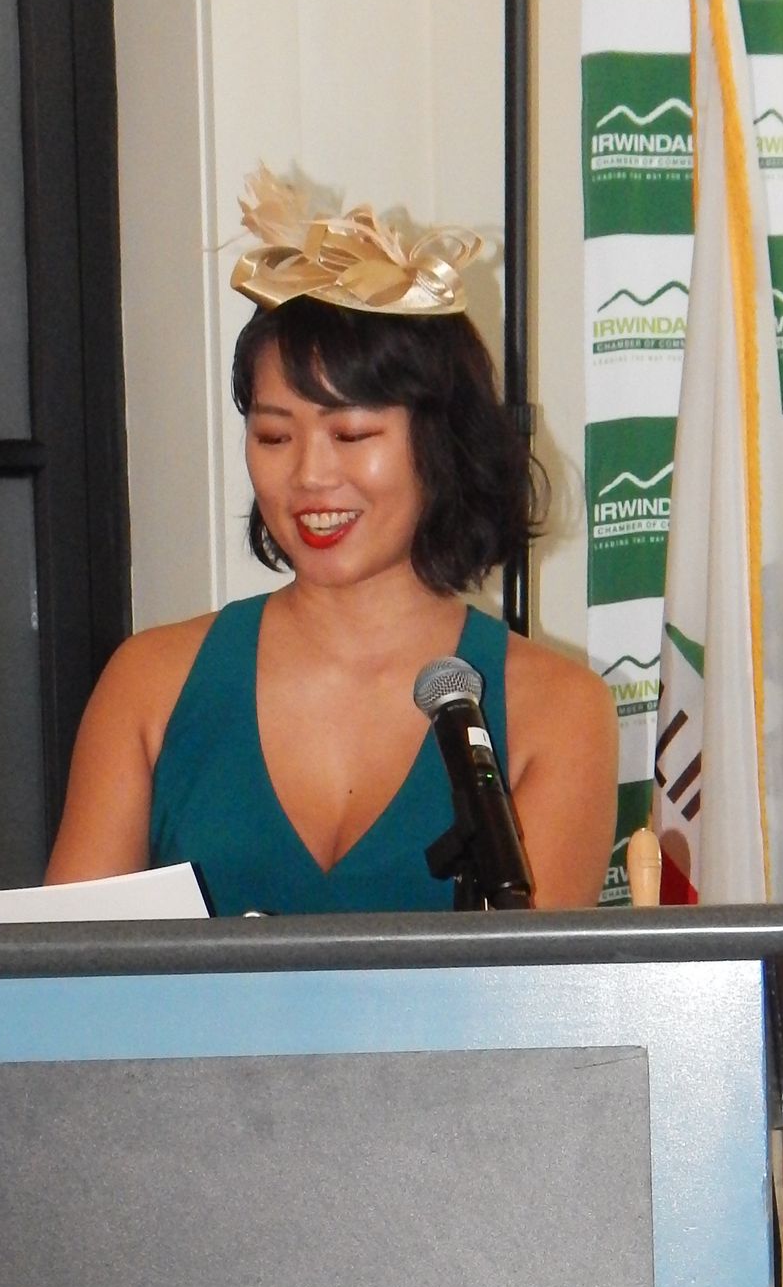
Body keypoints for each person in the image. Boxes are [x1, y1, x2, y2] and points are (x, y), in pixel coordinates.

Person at [47, 170, 618, 914]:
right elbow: (63, 986)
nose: (311, 475)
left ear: (439, 445)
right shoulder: (150, 684)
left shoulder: (557, 709)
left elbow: (533, 1013)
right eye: (275, 435)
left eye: (352, 434)